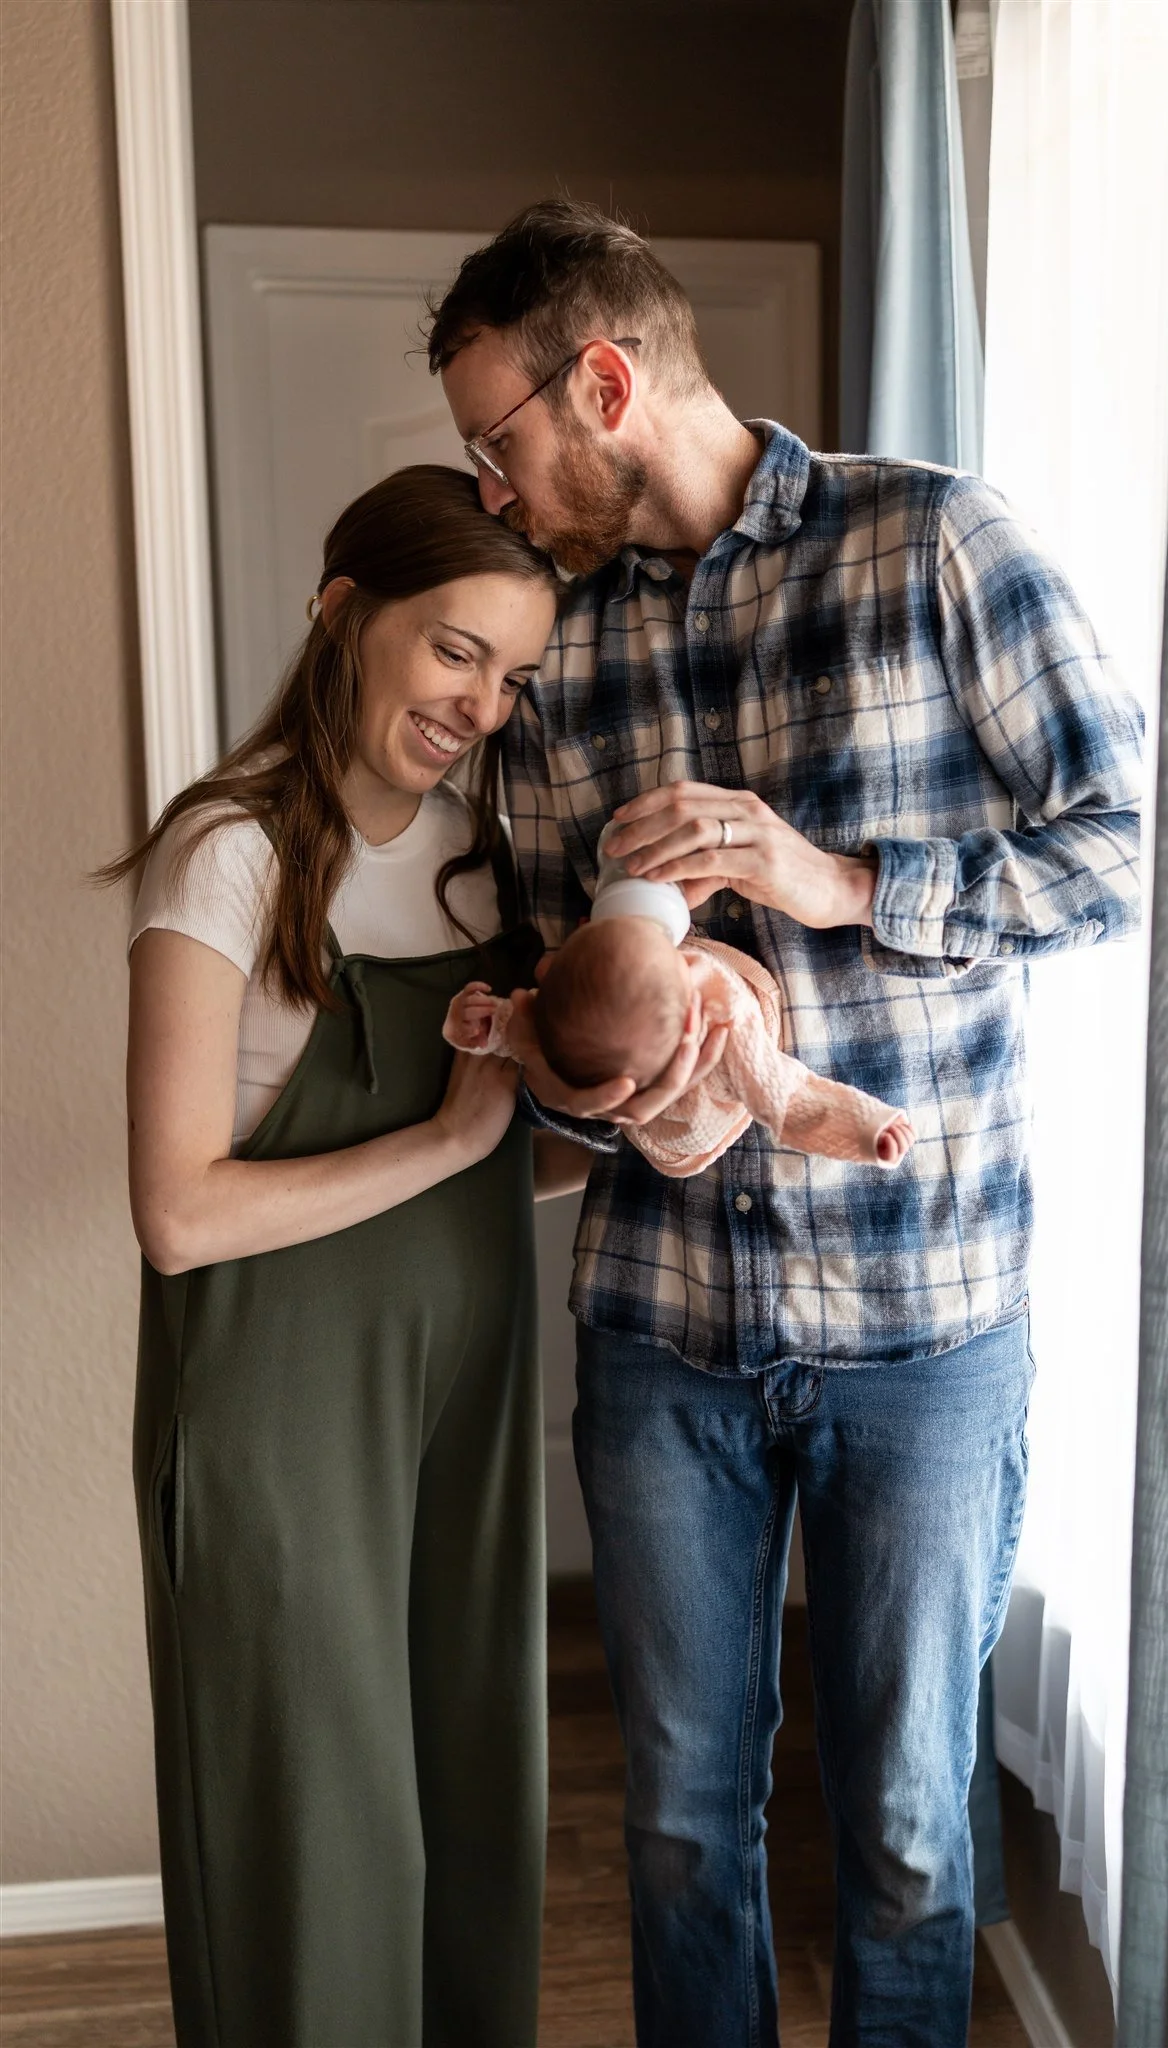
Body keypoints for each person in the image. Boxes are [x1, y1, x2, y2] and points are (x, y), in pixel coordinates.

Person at [427, 202, 1145, 2047]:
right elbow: (531, 953)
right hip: (665, 1326)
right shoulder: (549, 658)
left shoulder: (933, 545)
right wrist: (582, 1056)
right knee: (679, 1823)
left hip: (927, 1318)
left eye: (498, 440)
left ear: (603, 379)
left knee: (907, 1829)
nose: (492, 491)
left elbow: (1125, 851)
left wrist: (839, 878)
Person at [102, 466, 578, 2048]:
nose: (480, 707)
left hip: (462, 1401)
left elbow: (520, 1150)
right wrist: (448, 1143)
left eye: (510, 676)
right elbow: (177, 1213)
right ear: (342, 614)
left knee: (465, 1802)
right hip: (275, 1423)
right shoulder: (225, 855)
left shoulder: (485, 865)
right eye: (454, 652)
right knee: (313, 1846)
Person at [445, 914, 917, 1170]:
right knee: (570, 1028)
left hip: (620, 1048)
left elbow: (532, 1022)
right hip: (689, 1119)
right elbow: (792, 1100)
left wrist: (490, 1025)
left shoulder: (615, 980)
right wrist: (866, 1128)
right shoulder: (727, 1027)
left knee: (571, 1011)